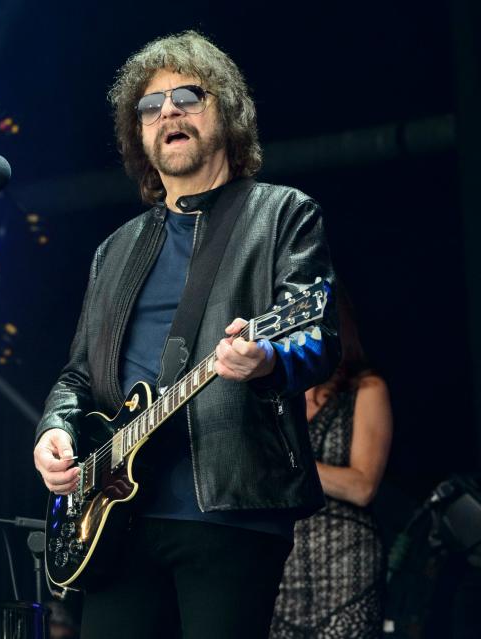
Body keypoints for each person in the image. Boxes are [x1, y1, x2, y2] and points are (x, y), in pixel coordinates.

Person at [32, 30, 340, 638]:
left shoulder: (282, 214)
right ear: (139, 135)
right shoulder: (114, 250)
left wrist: (268, 360)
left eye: (187, 96)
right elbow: (77, 376)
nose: (167, 110)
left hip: (231, 509)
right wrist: (54, 431)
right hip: (116, 518)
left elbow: (316, 337)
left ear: (225, 111)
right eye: (150, 106)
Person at [270, 293, 392, 638]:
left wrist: (286, 464)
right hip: (282, 566)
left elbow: (363, 486)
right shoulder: (274, 395)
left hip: (346, 561)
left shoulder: (365, 388)